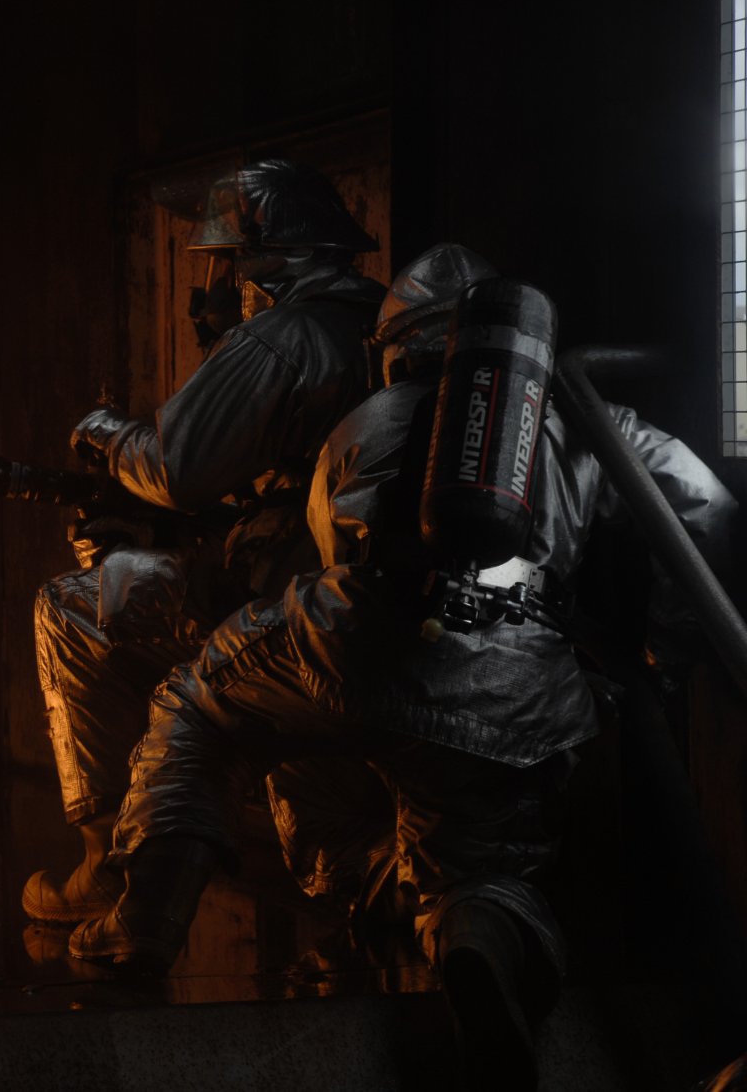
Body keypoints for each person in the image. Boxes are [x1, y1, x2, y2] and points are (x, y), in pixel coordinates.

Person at [72, 244, 735, 1087]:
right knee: (484, 865)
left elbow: (326, 550)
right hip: (518, 686)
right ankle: (476, 940)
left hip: (361, 645)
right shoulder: (581, 420)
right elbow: (706, 506)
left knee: (201, 703)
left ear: (398, 345)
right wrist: (666, 647)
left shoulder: (366, 420)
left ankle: (144, 925)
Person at [25, 159, 384, 923]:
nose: (217, 284)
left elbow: (172, 464)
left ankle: (106, 868)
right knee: (331, 848)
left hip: (280, 610)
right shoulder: (377, 324)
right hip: (362, 611)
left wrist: (103, 434)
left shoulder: (284, 337)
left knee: (73, 608)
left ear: (265, 258)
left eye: (224, 260)